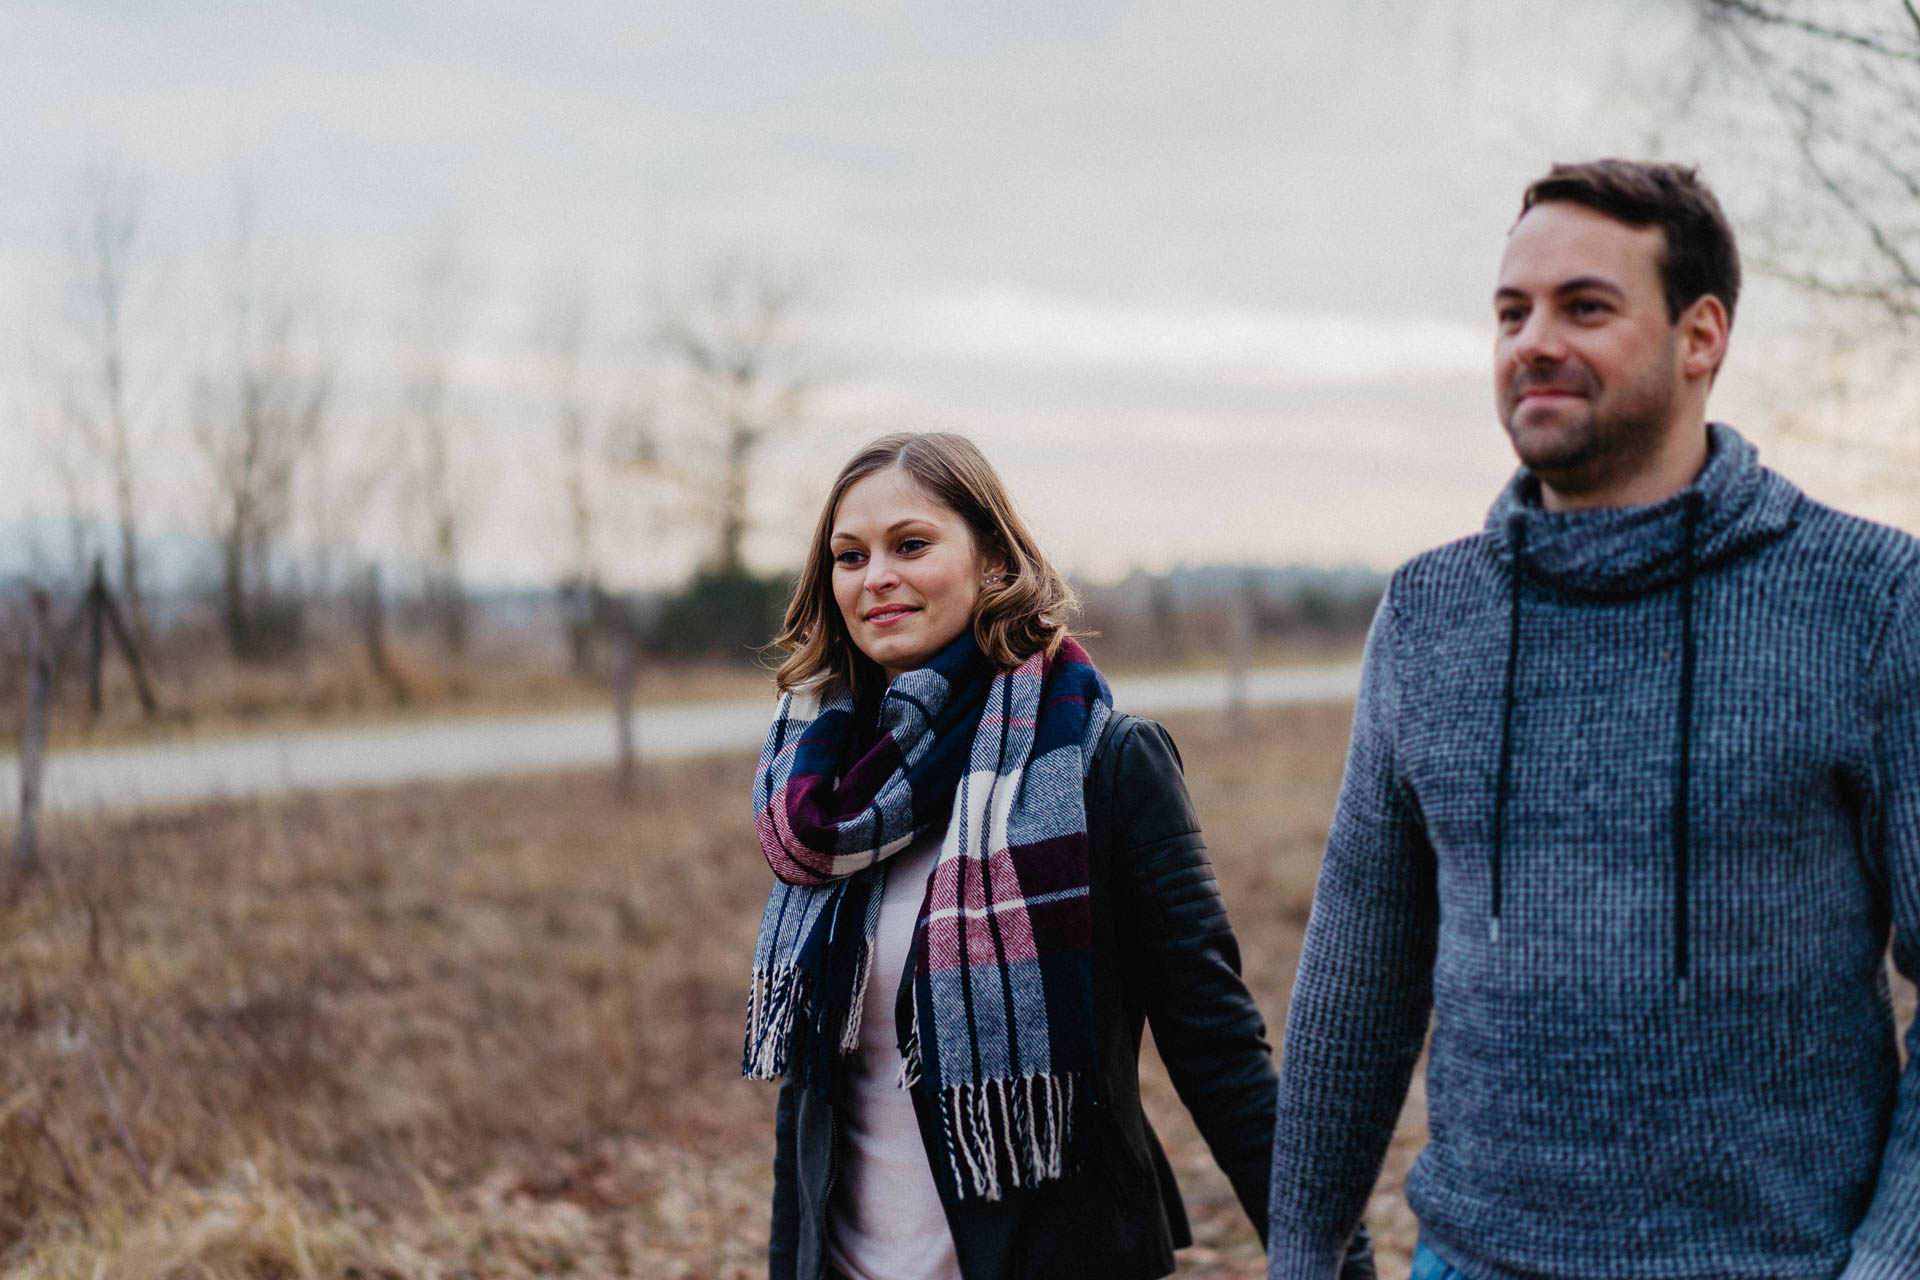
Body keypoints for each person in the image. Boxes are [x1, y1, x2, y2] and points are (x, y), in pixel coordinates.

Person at [1268, 159, 1920, 1279]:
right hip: (1471, 1260)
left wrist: (1890, 1260)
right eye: (1511, 311)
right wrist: (1301, 1249)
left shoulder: (1871, 601)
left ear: (1701, 335)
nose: (1532, 341)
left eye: (1586, 305)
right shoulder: (1431, 612)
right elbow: (1359, 974)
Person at [745, 432, 1371, 1280]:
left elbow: (1218, 1052)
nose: (875, 577)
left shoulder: (1103, 765)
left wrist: (1336, 1260)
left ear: (995, 560)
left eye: (912, 545)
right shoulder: (821, 800)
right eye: (849, 557)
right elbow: (812, 1101)